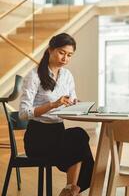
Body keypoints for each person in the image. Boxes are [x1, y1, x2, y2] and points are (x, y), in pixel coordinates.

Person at [19, 33, 94, 196]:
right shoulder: (34, 76)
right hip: (38, 137)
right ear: (50, 50)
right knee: (79, 140)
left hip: (58, 132)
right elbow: (23, 114)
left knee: (79, 136)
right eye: (61, 52)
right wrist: (53, 104)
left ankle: (70, 189)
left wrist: (76, 104)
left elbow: (71, 100)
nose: (65, 58)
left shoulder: (67, 75)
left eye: (69, 55)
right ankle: (73, 189)